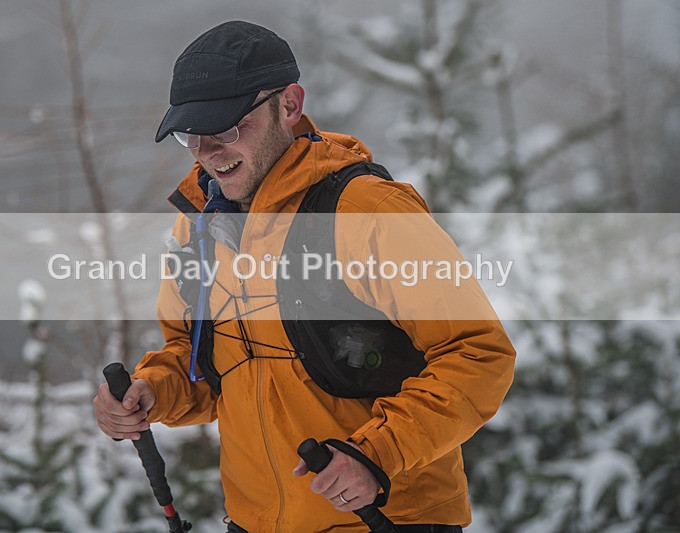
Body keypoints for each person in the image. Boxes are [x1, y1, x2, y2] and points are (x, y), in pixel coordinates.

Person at [94, 20, 515, 532]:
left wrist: (374, 453)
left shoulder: (367, 212)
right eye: (190, 135)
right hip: (253, 522)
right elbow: (202, 362)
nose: (206, 152)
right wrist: (152, 389)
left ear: (289, 105)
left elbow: (477, 356)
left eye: (226, 128)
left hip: (384, 519)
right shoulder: (198, 225)